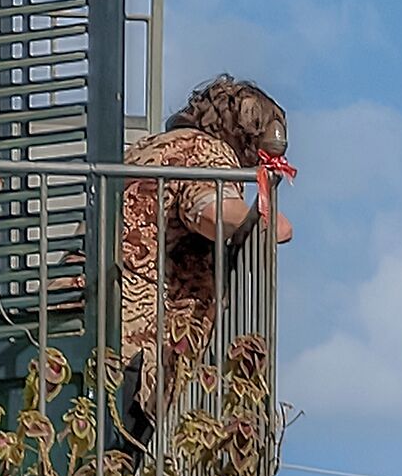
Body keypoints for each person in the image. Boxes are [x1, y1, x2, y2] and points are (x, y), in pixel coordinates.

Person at [118, 74, 294, 444]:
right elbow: (209, 210)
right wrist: (265, 220)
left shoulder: (151, 146)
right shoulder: (207, 155)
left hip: (93, 312)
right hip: (134, 341)